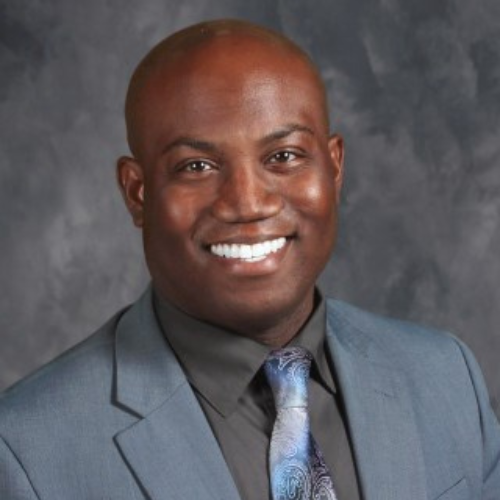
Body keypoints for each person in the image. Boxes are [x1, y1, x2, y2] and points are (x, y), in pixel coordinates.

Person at [0, 19, 499, 500]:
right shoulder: (26, 452)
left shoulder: (445, 376)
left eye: (283, 156)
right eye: (196, 166)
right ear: (137, 192)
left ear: (334, 167)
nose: (248, 202)